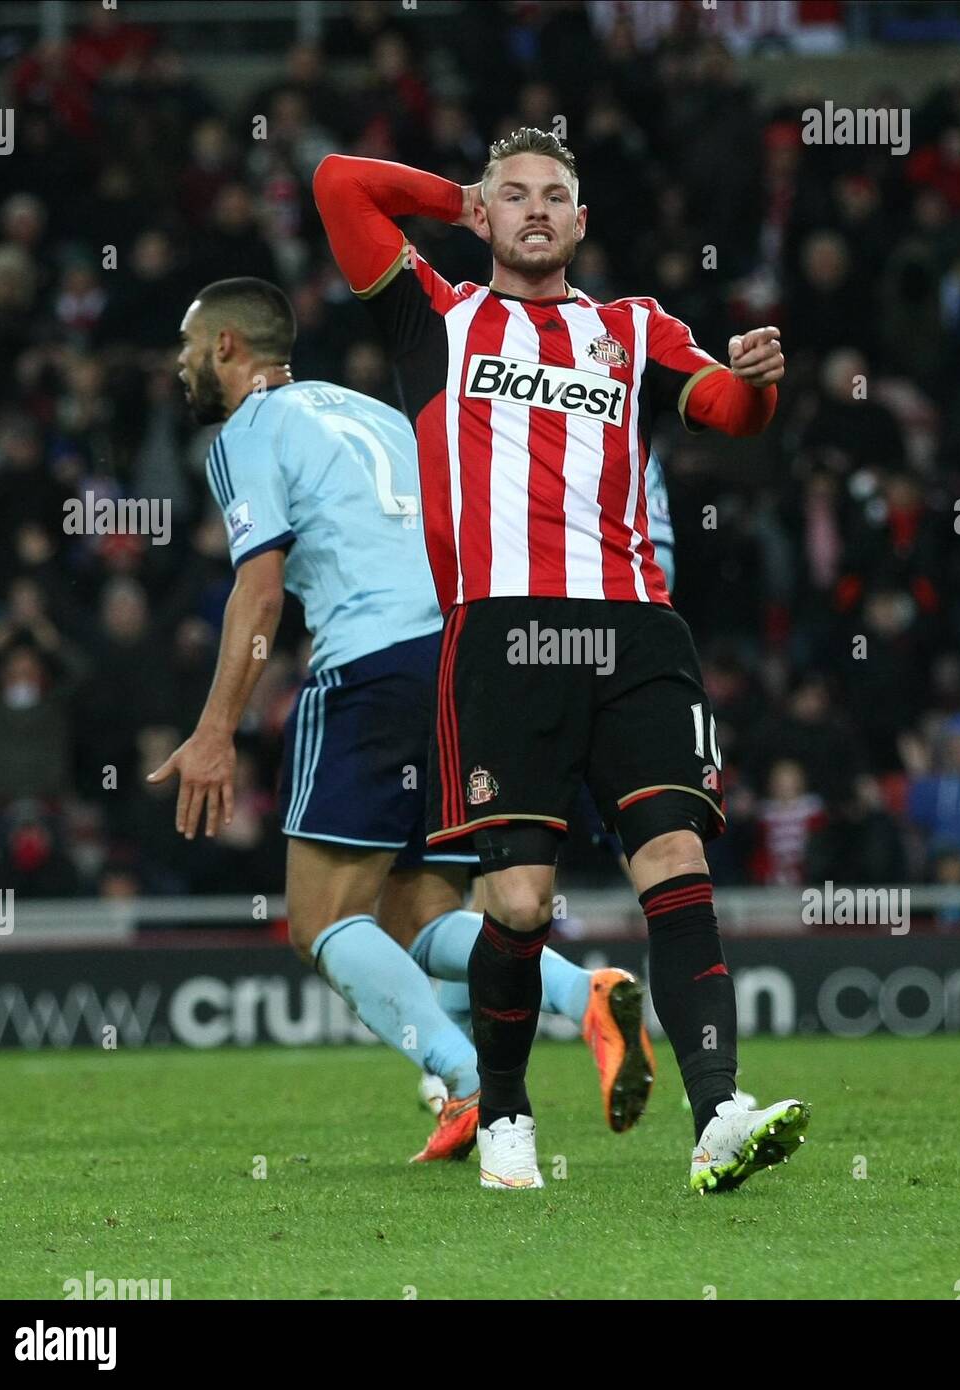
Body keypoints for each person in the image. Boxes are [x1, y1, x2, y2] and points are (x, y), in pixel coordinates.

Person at [314, 127, 808, 1193]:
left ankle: (718, 1113)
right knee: (521, 906)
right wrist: (463, 196)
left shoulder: (633, 328)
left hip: (633, 629)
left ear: (583, 223)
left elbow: (726, 408)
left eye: (555, 197)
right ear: (487, 217)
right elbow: (338, 183)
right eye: (515, 197)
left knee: (675, 860)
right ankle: (504, 1112)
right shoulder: (438, 318)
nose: (536, 210)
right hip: (502, 636)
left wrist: (759, 382)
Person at [151, 277, 656, 1163]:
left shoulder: (247, 433)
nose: (178, 363)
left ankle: (467, 1084)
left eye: (188, 347)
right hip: (467, 660)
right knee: (418, 916)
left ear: (229, 347)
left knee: (319, 921)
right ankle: (589, 995)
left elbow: (259, 591)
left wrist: (214, 730)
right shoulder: (377, 413)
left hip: (374, 667)